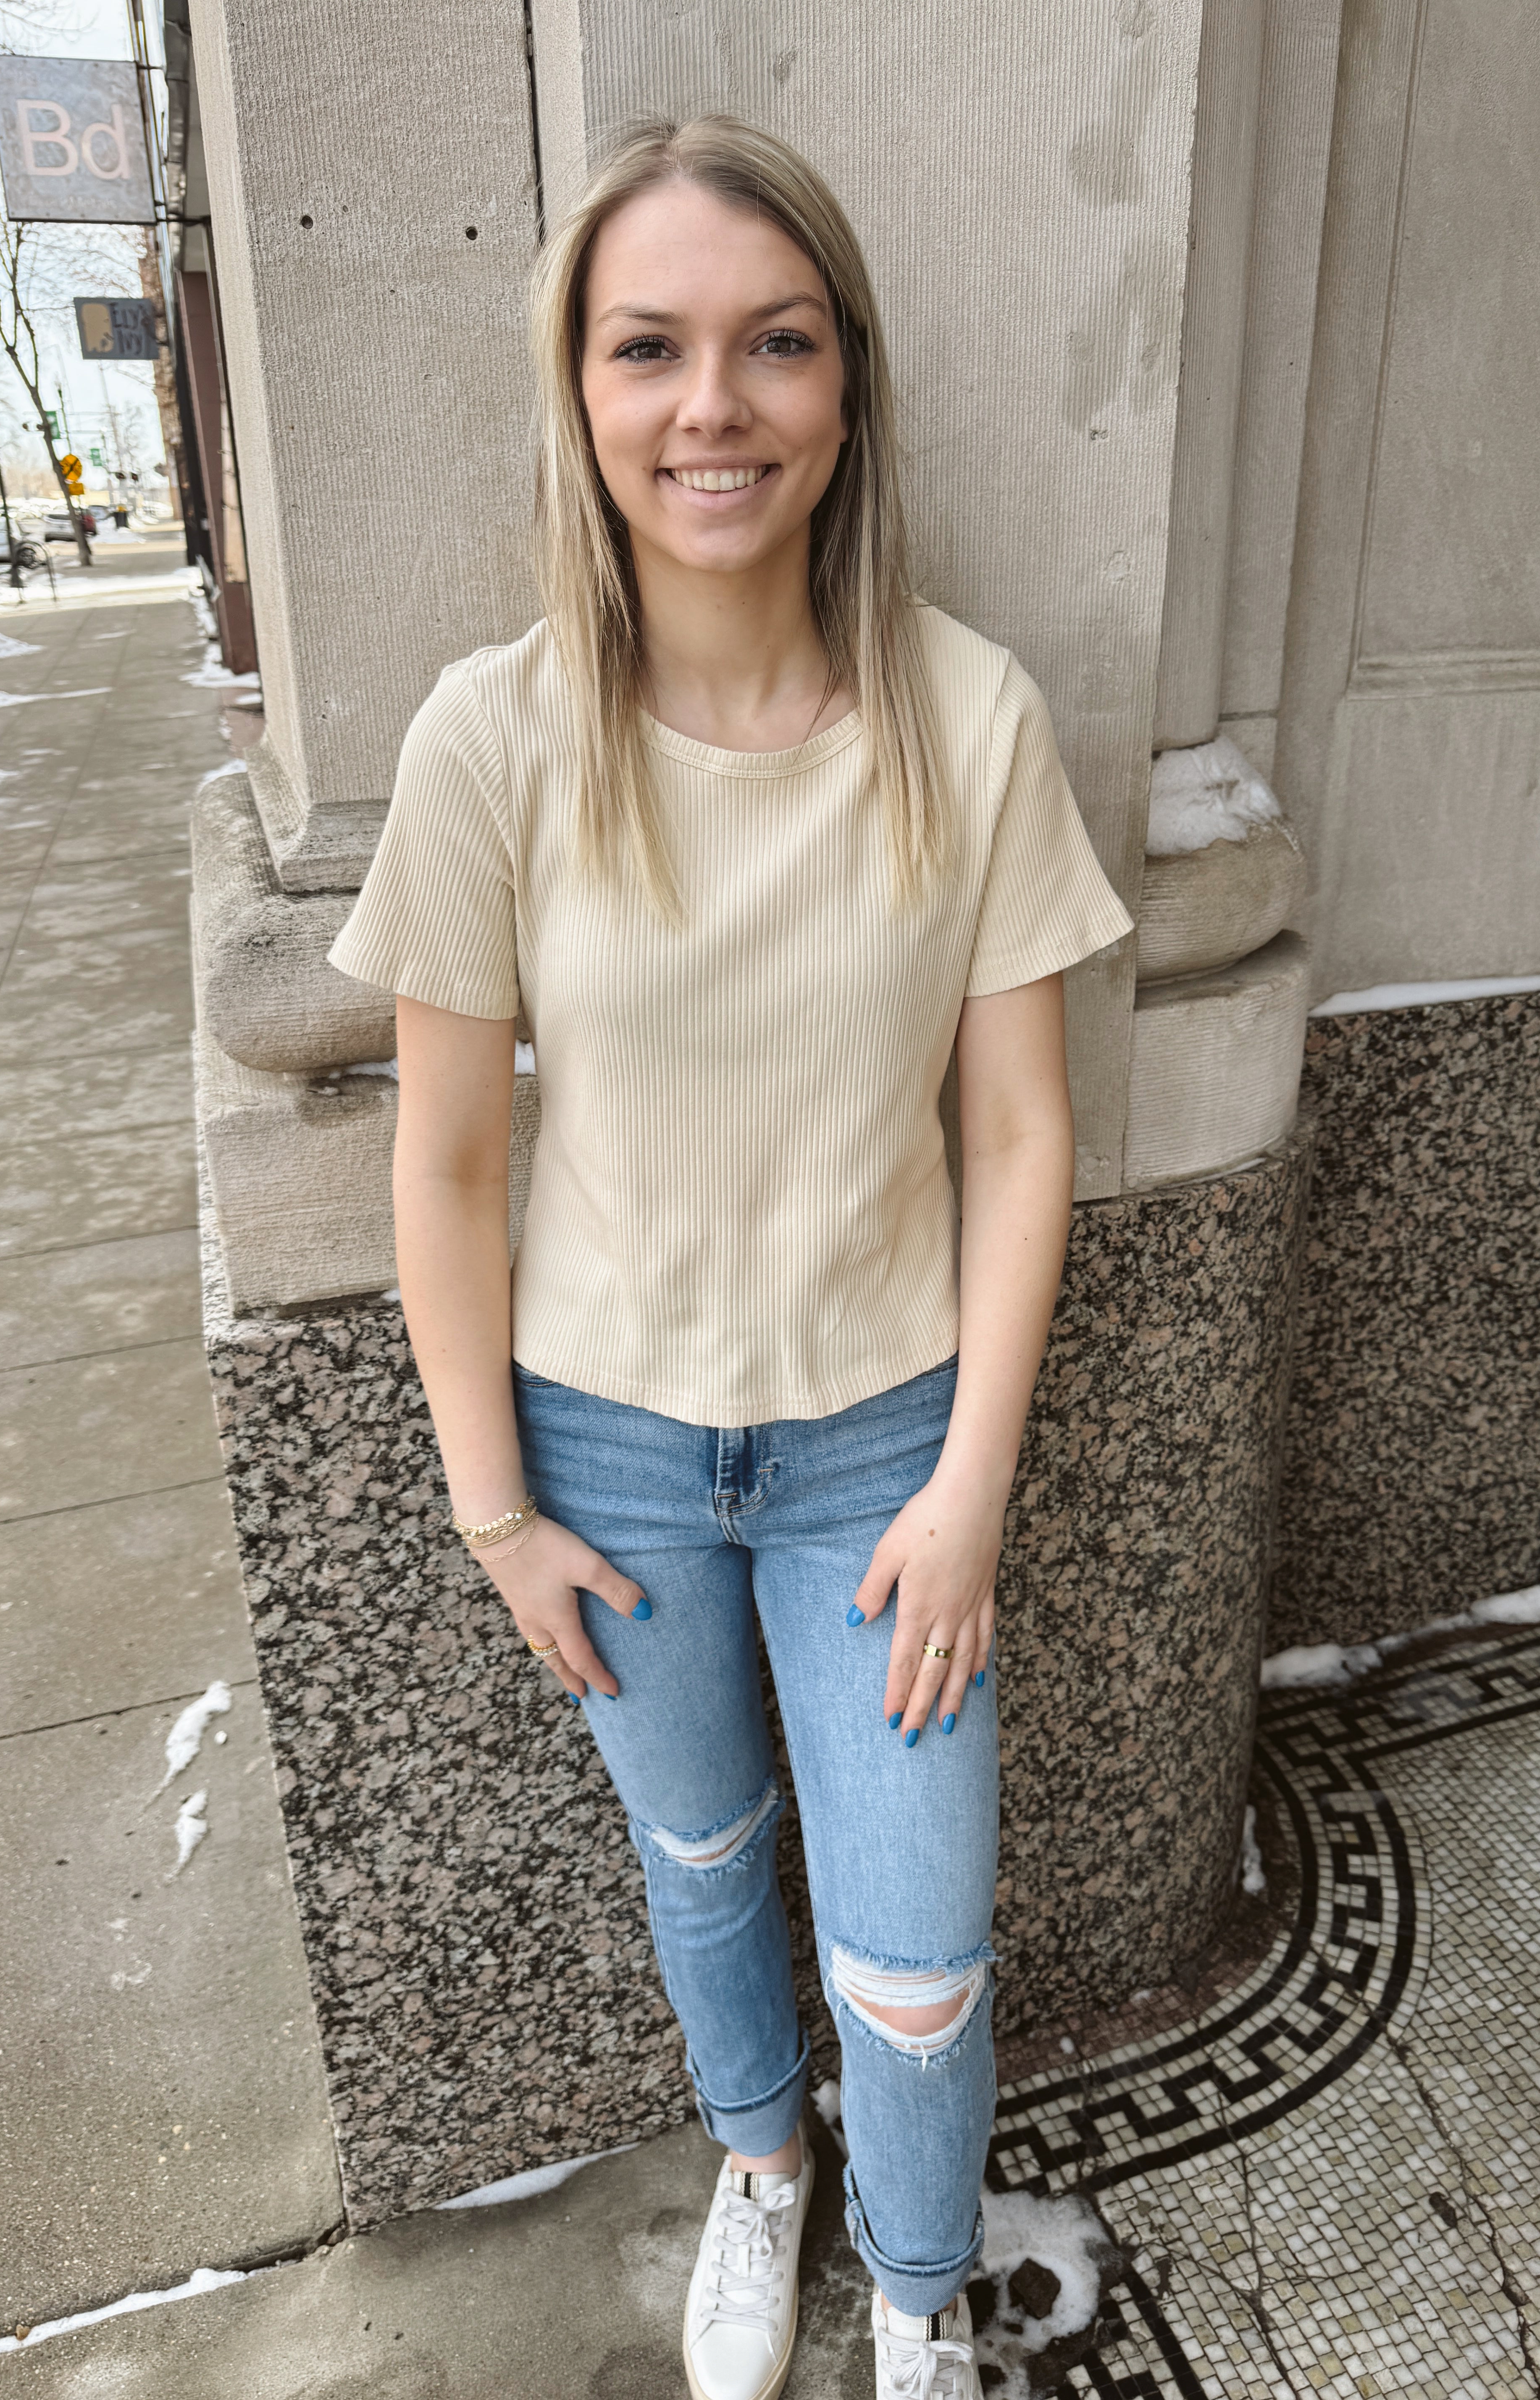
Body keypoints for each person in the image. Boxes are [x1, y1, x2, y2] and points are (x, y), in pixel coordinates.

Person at [331, 114, 1131, 2400]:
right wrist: (496, 1503)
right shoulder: (491, 741)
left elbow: (1016, 1128)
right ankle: (759, 2176)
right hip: (604, 1442)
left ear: (846, 385)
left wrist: (970, 1480)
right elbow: (452, 1167)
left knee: (916, 1954)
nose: (714, 408)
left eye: (774, 346)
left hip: (886, 1442)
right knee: (699, 1859)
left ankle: (907, 2292)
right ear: (579, 392)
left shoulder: (965, 722)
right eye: (650, 349)